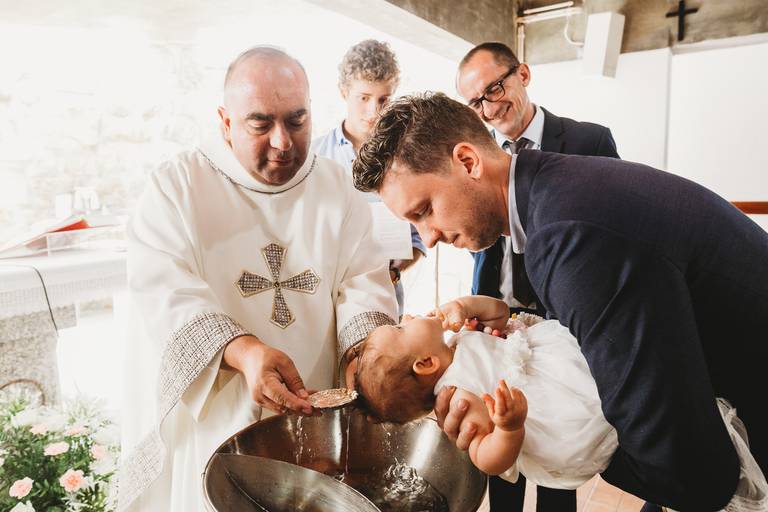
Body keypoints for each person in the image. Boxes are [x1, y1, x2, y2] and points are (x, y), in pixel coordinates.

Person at [351, 91, 768, 511]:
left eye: (424, 210)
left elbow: (678, 458)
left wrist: (574, 448)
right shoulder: (557, 191)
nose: (428, 238)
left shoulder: (568, 236)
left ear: (468, 161)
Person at [118, 47, 398, 511]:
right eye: (260, 124)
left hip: (320, 424)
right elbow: (163, 289)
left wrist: (361, 358)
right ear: (225, 121)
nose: (283, 142)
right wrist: (245, 352)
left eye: (297, 120)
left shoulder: (337, 186)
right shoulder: (177, 188)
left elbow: (363, 279)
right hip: (221, 426)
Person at [353, 296, 767, 511]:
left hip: (555, 367)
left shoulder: (457, 338)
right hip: (559, 417)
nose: (407, 317)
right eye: (400, 328)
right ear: (425, 364)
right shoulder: (459, 394)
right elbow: (486, 459)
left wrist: (467, 306)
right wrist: (509, 428)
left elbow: (499, 313)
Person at [458, 43, 620, 509]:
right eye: (475, 102)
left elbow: (611, 235)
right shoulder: (477, 155)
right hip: (500, 317)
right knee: (502, 433)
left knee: (554, 440)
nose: (489, 108)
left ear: (523, 75)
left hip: (564, 323)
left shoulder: (589, 142)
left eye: (494, 89)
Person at [312, 39, 425, 317]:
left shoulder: (407, 157)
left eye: (383, 99)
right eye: (363, 98)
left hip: (385, 303)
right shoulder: (315, 157)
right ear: (343, 92)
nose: (374, 111)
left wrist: (397, 270)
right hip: (324, 305)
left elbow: (420, 234)